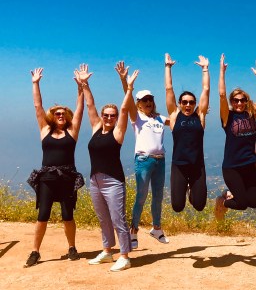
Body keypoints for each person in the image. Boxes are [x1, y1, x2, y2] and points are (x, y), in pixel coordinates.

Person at [25, 66, 86, 267]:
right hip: (47, 178)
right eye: (57, 113)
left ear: (66, 116)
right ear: (53, 115)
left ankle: (72, 248)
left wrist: (81, 87)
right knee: (42, 215)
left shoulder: (72, 131)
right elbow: (37, 106)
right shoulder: (44, 129)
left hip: (67, 177)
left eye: (63, 113)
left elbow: (80, 110)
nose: (60, 115)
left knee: (68, 215)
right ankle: (35, 252)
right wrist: (35, 83)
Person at [79, 64, 136, 271]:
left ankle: (125, 256)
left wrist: (128, 88)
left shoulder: (118, 132)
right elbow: (90, 105)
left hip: (113, 181)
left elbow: (123, 110)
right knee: (103, 218)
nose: (110, 118)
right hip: (95, 180)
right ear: (102, 116)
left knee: (117, 218)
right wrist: (85, 84)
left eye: (112, 115)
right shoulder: (96, 127)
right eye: (107, 115)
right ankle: (107, 251)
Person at [117, 61, 171, 249]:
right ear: (139, 103)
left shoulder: (159, 118)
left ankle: (157, 228)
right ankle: (133, 231)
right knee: (141, 196)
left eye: (150, 99)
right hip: (144, 161)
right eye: (144, 100)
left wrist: (198, 113)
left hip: (160, 161)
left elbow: (178, 122)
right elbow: (128, 101)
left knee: (158, 196)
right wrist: (125, 82)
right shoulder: (137, 117)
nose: (148, 102)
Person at [214, 55, 256, 216]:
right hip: (232, 167)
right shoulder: (227, 117)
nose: (239, 103)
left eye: (242, 99)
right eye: (236, 100)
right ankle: (223, 200)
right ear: (232, 101)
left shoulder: (252, 115)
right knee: (242, 204)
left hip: (249, 165)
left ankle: (230, 194)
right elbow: (222, 95)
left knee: (255, 200)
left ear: (246, 100)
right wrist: (222, 72)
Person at [164, 53, 210, 213]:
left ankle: (191, 191)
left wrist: (205, 69)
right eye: (184, 102)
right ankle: (184, 188)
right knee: (177, 207)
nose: (188, 104)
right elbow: (169, 89)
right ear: (180, 104)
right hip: (179, 166)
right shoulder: (175, 116)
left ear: (195, 104)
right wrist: (168, 67)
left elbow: (206, 89)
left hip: (198, 166)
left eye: (191, 102)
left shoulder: (200, 116)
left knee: (199, 205)